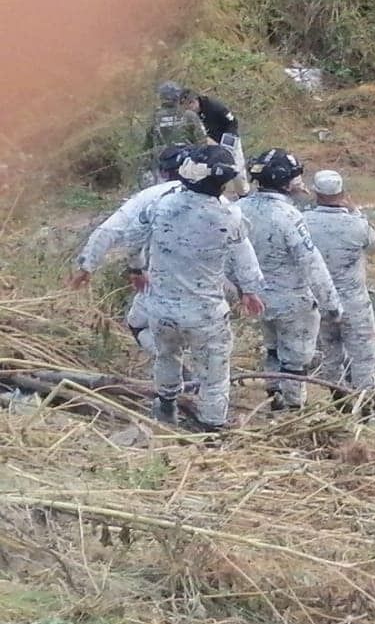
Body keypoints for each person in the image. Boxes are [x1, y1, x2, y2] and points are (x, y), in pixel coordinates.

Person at [116, 146, 265, 430]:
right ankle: (212, 428)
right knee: (214, 373)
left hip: (161, 307)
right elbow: (245, 259)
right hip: (205, 314)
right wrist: (249, 291)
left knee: (166, 356)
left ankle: (166, 409)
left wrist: (137, 268)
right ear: (223, 181)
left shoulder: (161, 204)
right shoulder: (228, 217)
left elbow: (133, 235)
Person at [238, 149, 342, 411]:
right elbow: (311, 263)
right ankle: (294, 413)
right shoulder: (289, 217)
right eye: (296, 176)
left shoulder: (238, 209)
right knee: (296, 361)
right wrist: (331, 305)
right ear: (284, 181)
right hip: (292, 301)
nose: (300, 181)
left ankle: (274, 400)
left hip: (257, 299)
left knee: (273, 349)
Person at [69, 144, 192, 355]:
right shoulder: (215, 198)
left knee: (138, 324)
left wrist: (86, 266)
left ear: (163, 172)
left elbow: (109, 230)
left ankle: (177, 368)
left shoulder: (151, 196)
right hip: (210, 285)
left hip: (162, 280)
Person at [303, 170, 375, 414]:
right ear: (343, 193)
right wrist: (355, 210)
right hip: (354, 302)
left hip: (321, 301)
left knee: (331, 353)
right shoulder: (356, 225)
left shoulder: (303, 221)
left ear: (316, 193)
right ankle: (366, 407)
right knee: (363, 357)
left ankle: (338, 403)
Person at [147, 81, 212, 159]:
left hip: (163, 163)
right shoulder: (189, 115)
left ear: (161, 97)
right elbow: (203, 142)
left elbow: (148, 144)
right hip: (186, 161)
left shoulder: (155, 117)